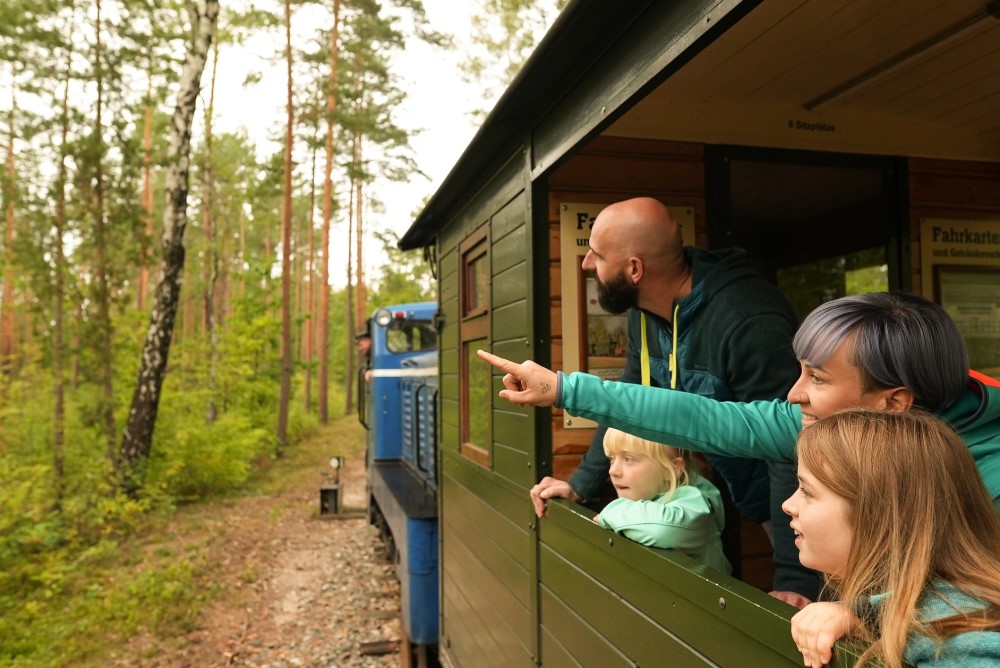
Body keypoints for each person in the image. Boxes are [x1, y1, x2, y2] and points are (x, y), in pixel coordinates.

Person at [476, 290, 1000, 512]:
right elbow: (705, 417)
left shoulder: (988, 481)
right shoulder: (829, 421)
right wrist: (566, 389)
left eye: (816, 379)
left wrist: (859, 610)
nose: (794, 395)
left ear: (895, 402)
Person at [526, 197, 812, 600]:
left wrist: (794, 580)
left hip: (800, 503)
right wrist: (579, 487)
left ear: (634, 270)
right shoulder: (644, 313)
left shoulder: (747, 320)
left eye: (597, 254)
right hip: (748, 494)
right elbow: (623, 404)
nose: (587, 264)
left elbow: (792, 445)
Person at [785, 409, 1000, 668]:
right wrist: (861, 613)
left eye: (807, 491)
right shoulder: (930, 608)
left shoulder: (956, 639)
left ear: (878, 514)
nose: (788, 504)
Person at [594, 428, 731, 575]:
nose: (613, 471)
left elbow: (664, 528)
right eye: (612, 459)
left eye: (629, 459)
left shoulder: (695, 505)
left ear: (671, 469)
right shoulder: (649, 496)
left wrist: (615, 511)